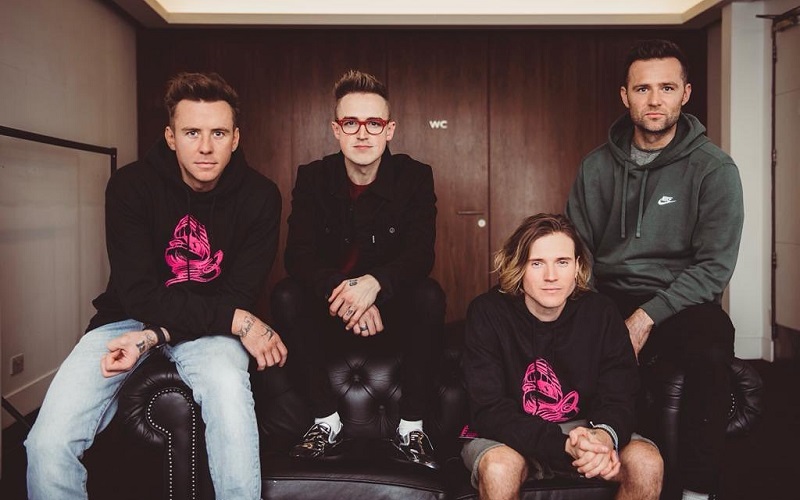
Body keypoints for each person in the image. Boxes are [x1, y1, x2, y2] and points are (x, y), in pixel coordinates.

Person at [25, 72, 287, 500]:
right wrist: (237, 321)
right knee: (46, 444)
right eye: (192, 132)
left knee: (228, 395)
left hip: (212, 328)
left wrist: (155, 337)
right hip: (126, 319)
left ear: (236, 138)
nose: (206, 147)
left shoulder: (260, 196)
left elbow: (238, 296)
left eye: (219, 133)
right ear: (170, 136)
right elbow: (139, 295)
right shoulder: (130, 186)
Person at [566, 39, 744, 500]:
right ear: (624, 96)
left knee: (711, 347)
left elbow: (714, 267)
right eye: (642, 89)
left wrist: (646, 317)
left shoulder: (714, 169)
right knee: (568, 334)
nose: (654, 100)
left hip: (682, 298)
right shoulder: (595, 167)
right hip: (607, 290)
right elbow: (579, 251)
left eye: (667, 87)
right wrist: (594, 310)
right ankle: (588, 462)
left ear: (686, 93)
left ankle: (697, 489)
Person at [271, 69, 445, 469]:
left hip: (391, 314)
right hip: (329, 313)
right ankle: (325, 421)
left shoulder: (415, 177)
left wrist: (376, 285)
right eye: (351, 123)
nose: (362, 134)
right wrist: (350, 294)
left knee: (429, 295)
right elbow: (298, 255)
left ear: (389, 130)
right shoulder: (313, 177)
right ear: (336, 129)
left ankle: (411, 427)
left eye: (374, 123)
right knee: (286, 294)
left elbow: (420, 255)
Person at [462, 213, 663, 500]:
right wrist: (563, 445)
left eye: (562, 262)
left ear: (578, 267)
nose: (551, 276)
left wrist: (603, 437)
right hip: (509, 435)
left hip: (586, 431)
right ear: (518, 266)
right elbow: (489, 409)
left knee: (647, 463)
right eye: (537, 263)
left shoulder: (602, 313)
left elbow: (620, 395)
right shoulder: (487, 312)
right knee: (498, 469)